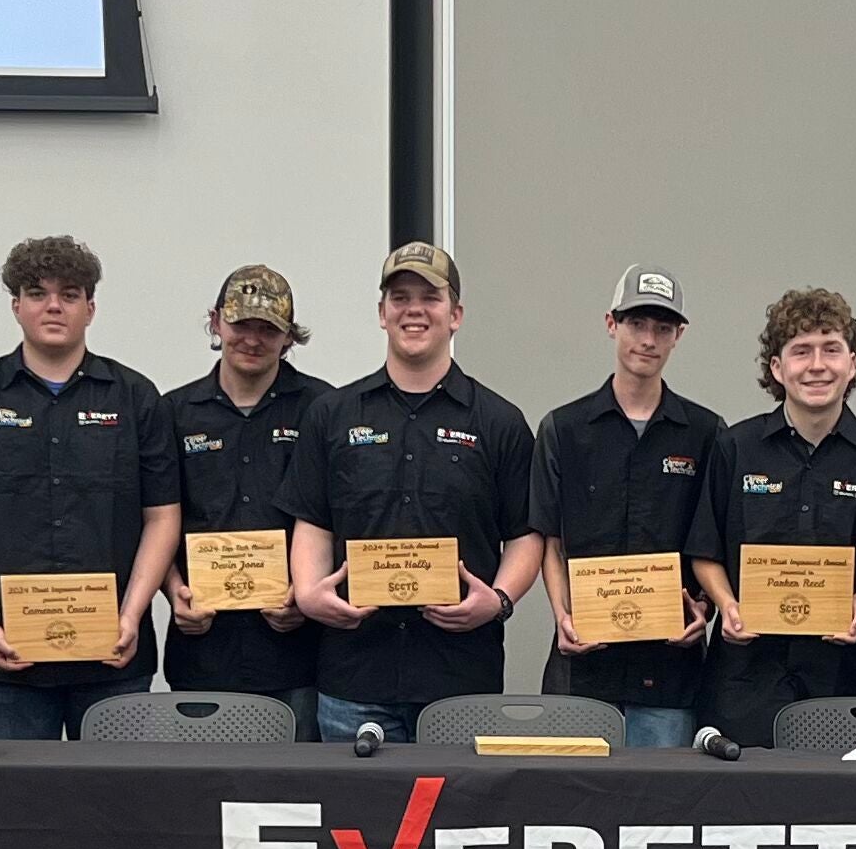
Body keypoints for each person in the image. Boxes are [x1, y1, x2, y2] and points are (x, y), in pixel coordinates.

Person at [282, 242, 539, 741]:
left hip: (461, 682)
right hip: (354, 676)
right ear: (382, 314)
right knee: (353, 820)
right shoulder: (332, 415)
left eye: (430, 297)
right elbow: (313, 520)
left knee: (464, 821)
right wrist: (311, 593)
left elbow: (526, 534)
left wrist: (500, 600)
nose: (414, 309)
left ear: (456, 314)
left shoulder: (500, 422)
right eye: (399, 297)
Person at [0, 236, 180, 739]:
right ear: (16, 306)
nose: (53, 306)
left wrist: (132, 615)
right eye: (37, 293)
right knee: (18, 811)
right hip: (9, 654)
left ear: (90, 308)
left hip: (115, 654)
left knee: (119, 809)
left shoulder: (136, 397)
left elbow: (162, 516)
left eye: (69, 294)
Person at [532, 268, 724, 745]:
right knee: (571, 806)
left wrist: (704, 610)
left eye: (663, 328)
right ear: (611, 323)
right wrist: (563, 616)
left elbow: (713, 542)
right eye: (637, 323)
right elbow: (550, 541)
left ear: (679, 335)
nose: (649, 339)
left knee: (661, 814)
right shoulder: (563, 429)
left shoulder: (707, 433)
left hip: (669, 671)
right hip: (582, 667)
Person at [699, 286, 856, 750]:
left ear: (854, 364)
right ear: (777, 368)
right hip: (745, 675)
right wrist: (727, 605)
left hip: (846, 675)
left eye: (831, 349)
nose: (817, 365)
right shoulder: (735, 445)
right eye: (800, 351)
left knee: (838, 813)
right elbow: (704, 547)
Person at [159, 265, 323, 726]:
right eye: (240, 324)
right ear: (216, 322)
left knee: (294, 793)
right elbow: (153, 520)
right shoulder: (173, 413)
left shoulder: (323, 411)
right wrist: (174, 593)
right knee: (201, 793)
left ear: (288, 337)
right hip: (202, 650)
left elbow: (339, 521)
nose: (252, 339)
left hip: (297, 654)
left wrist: (306, 594)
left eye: (268, 328)